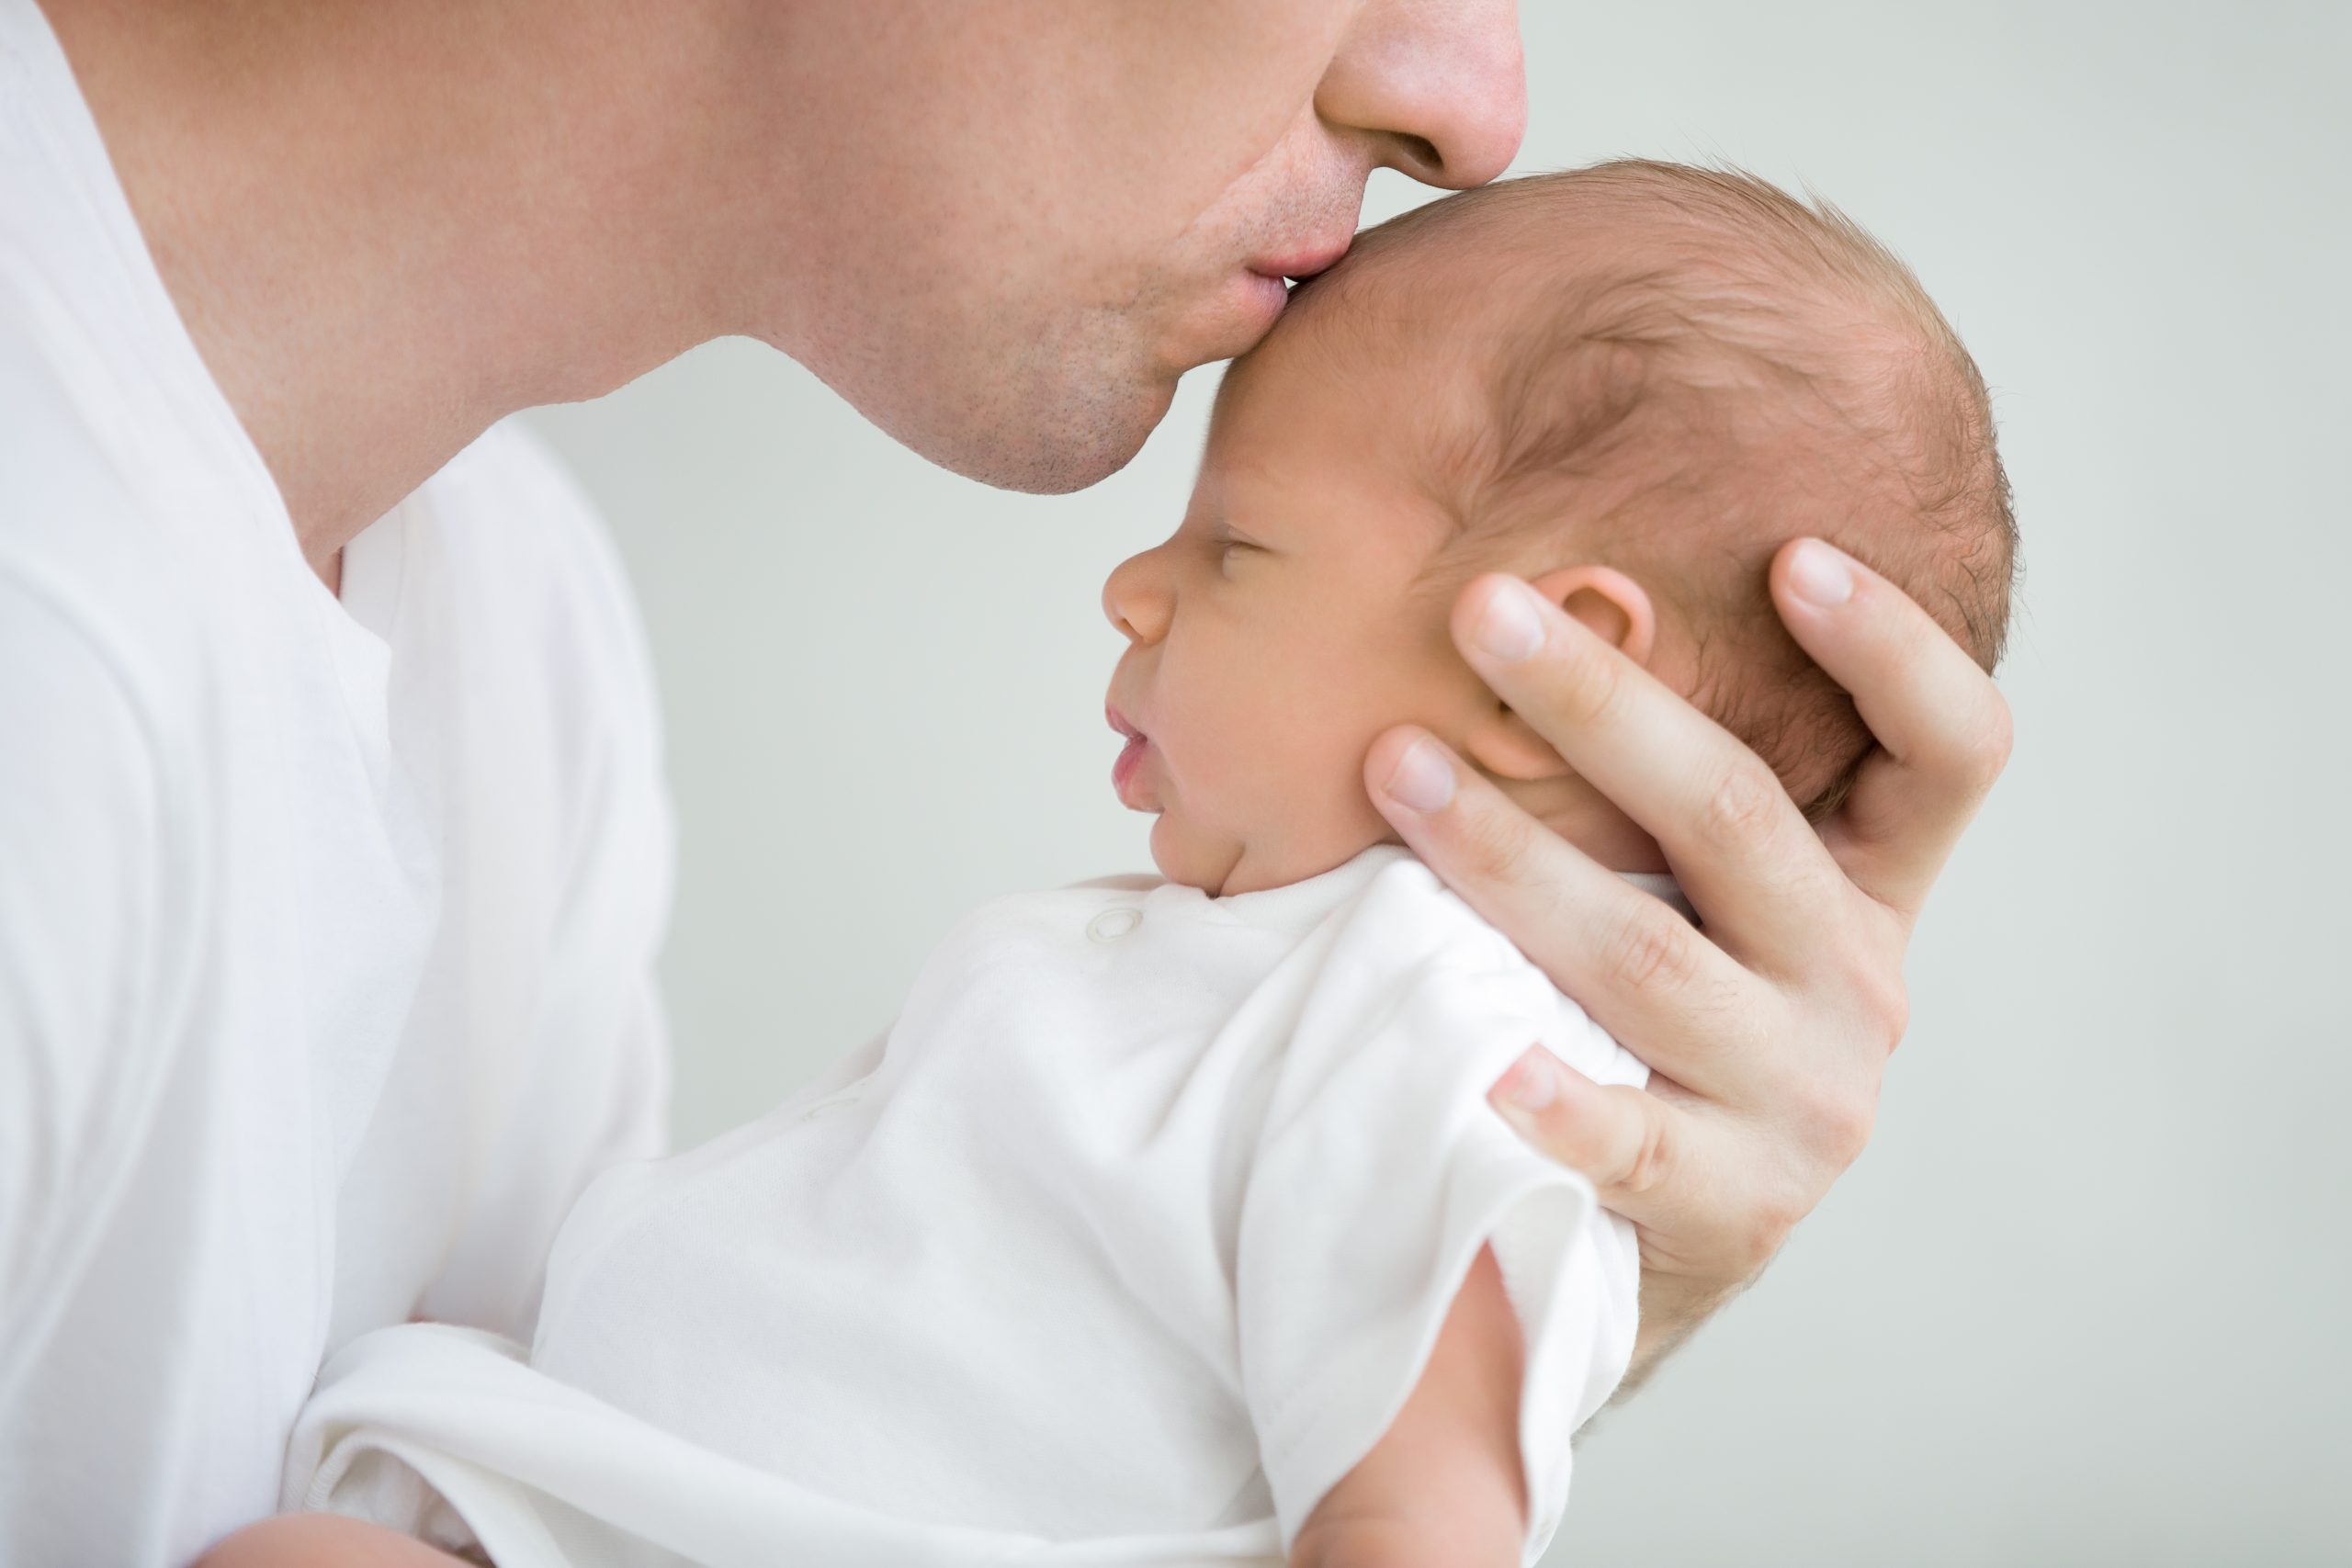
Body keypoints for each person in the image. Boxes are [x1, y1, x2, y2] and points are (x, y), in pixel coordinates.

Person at [0, 2, 2012, 1564]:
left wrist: (1488, 1303)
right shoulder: (56, 635)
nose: (1467, 103)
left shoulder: (512, 636)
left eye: (1232, 551)